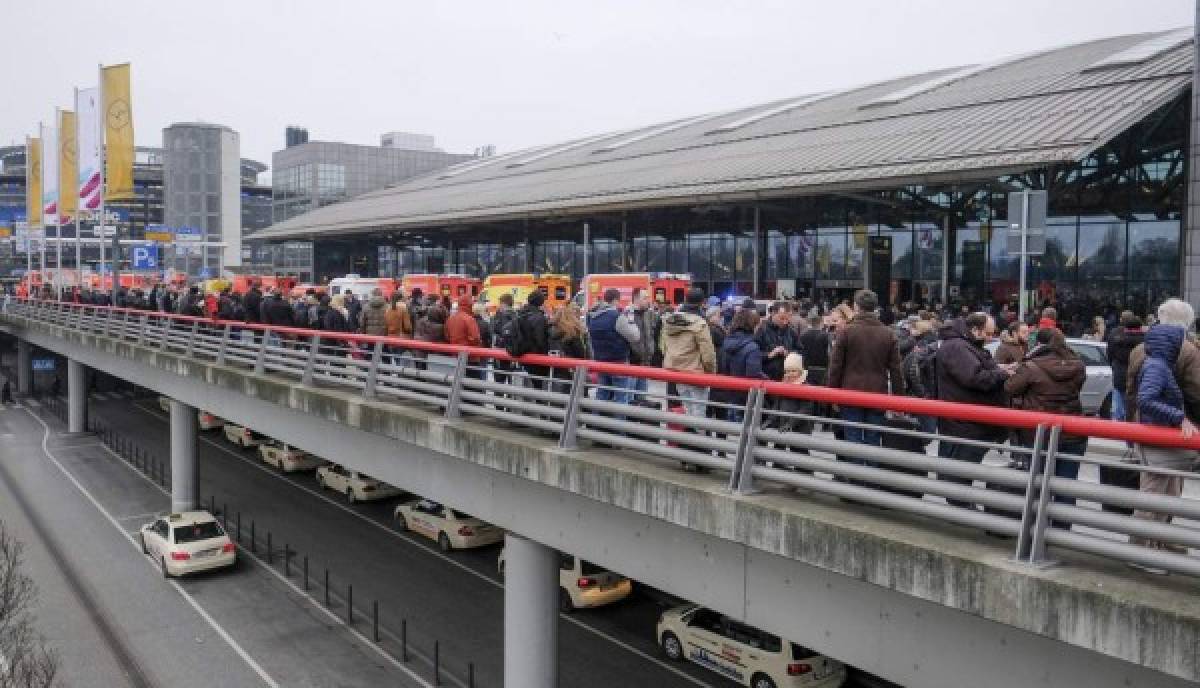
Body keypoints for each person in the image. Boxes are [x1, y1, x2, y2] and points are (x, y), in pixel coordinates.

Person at [1129, 314, 1199, 571]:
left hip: (1160, 439)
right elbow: (1145, 400)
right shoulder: (1158, 366)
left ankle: (1155, 545)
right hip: (1157, 440)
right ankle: (1139, 551)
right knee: (1153, 497)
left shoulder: (1157, 364)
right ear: (1171, 345)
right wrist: (1178, 417)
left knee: (1165, 495)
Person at [934, 313, 1014, 509]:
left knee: (960, 468)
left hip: (965, 420)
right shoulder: (957, 347)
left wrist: (998, 369)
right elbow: (974, 377)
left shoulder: (961, 345)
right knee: (962, 469)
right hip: (966, 422)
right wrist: (1002, 373)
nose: (990, 338)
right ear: (974, 330)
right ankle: (962, 508)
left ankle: (962, 506)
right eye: (987, 333)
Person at [1005, 327, 1088, 512]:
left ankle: (1035, 531)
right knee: (1066, 488)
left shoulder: (1031, 366)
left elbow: (1010, 388)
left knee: (1037, 484)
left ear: (1039, 344)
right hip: (1071, 431)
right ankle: (1061, 533)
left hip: (1038, 432)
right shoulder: (1078, 365)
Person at [826, 289, 904, 447]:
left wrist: (832, 393)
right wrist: (898, 398)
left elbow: (836, 367)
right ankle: (870, 470)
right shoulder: (888, 333)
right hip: (877, 393)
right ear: (875, 307)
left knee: (852, 439)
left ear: (856, 306)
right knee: (873, 439)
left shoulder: (846, 332)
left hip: (850, 392)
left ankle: (855, 470)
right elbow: (896, 370)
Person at [660, 287, 717, 418]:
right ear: (702, 303)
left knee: (687, 410)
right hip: (696, 373)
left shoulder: (671, 320)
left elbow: (663, 347)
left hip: (677, 372)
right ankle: (697, 437)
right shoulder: (700, 323)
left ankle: (688, 437)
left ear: (685, 300)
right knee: (699, 413)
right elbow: (708, 354)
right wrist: (711, 373)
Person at [586, 288, 640, 405]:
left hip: (600, 362)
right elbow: (635, 336)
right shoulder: (616, 316)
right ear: (615, 300)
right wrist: (631, 320)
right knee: (621, 397)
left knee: (602, 395)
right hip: (618, 362)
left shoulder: (592, 317)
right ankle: (619, 422)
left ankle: (597, 422)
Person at [717, 307, 765, 421]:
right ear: (752, 325)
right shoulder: (752, 347)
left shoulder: (726, 342)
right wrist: (767, 379)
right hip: (745, 397)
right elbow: (753, 374)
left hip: (729, 393)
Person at [1106, 311, 1145, 422]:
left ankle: (1119, 429)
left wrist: (1114, 367)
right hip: (1139, 377)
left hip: (1120, 375)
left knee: (1118, 407)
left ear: (1122, 320)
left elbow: (1109, 355)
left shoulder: (1115, 336)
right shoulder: (1146, 340)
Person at [754, 302, 802, 382]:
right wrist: (769, 354)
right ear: (773, 313)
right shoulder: (761, 330)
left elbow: (800, 351)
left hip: (787, 379)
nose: (785, 322)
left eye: (787, 319)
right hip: (767, 379)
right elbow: (754, 355)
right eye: (782, 318)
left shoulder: (791, 331)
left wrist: (789, 353)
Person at [627, 289, 660, 405]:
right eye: (645, 298)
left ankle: (638, 419)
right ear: (636, 299)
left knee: (642, 397)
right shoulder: (627, 314)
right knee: (630, 397)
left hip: (645, 362)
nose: (648, 300)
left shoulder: (648, 314)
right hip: (632, 363)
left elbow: (652, 334)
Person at [548, 304, 588, 392]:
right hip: (572, 370)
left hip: (554, 369)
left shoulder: (549, 331)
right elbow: (581, 354)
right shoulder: (573, 333)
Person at [515, 291, 551, 388]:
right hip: (537, 358)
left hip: (522, 354)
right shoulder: (539, 317)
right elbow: (540, 340)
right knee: (539, 386)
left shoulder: (520, 314)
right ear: (541, 302)